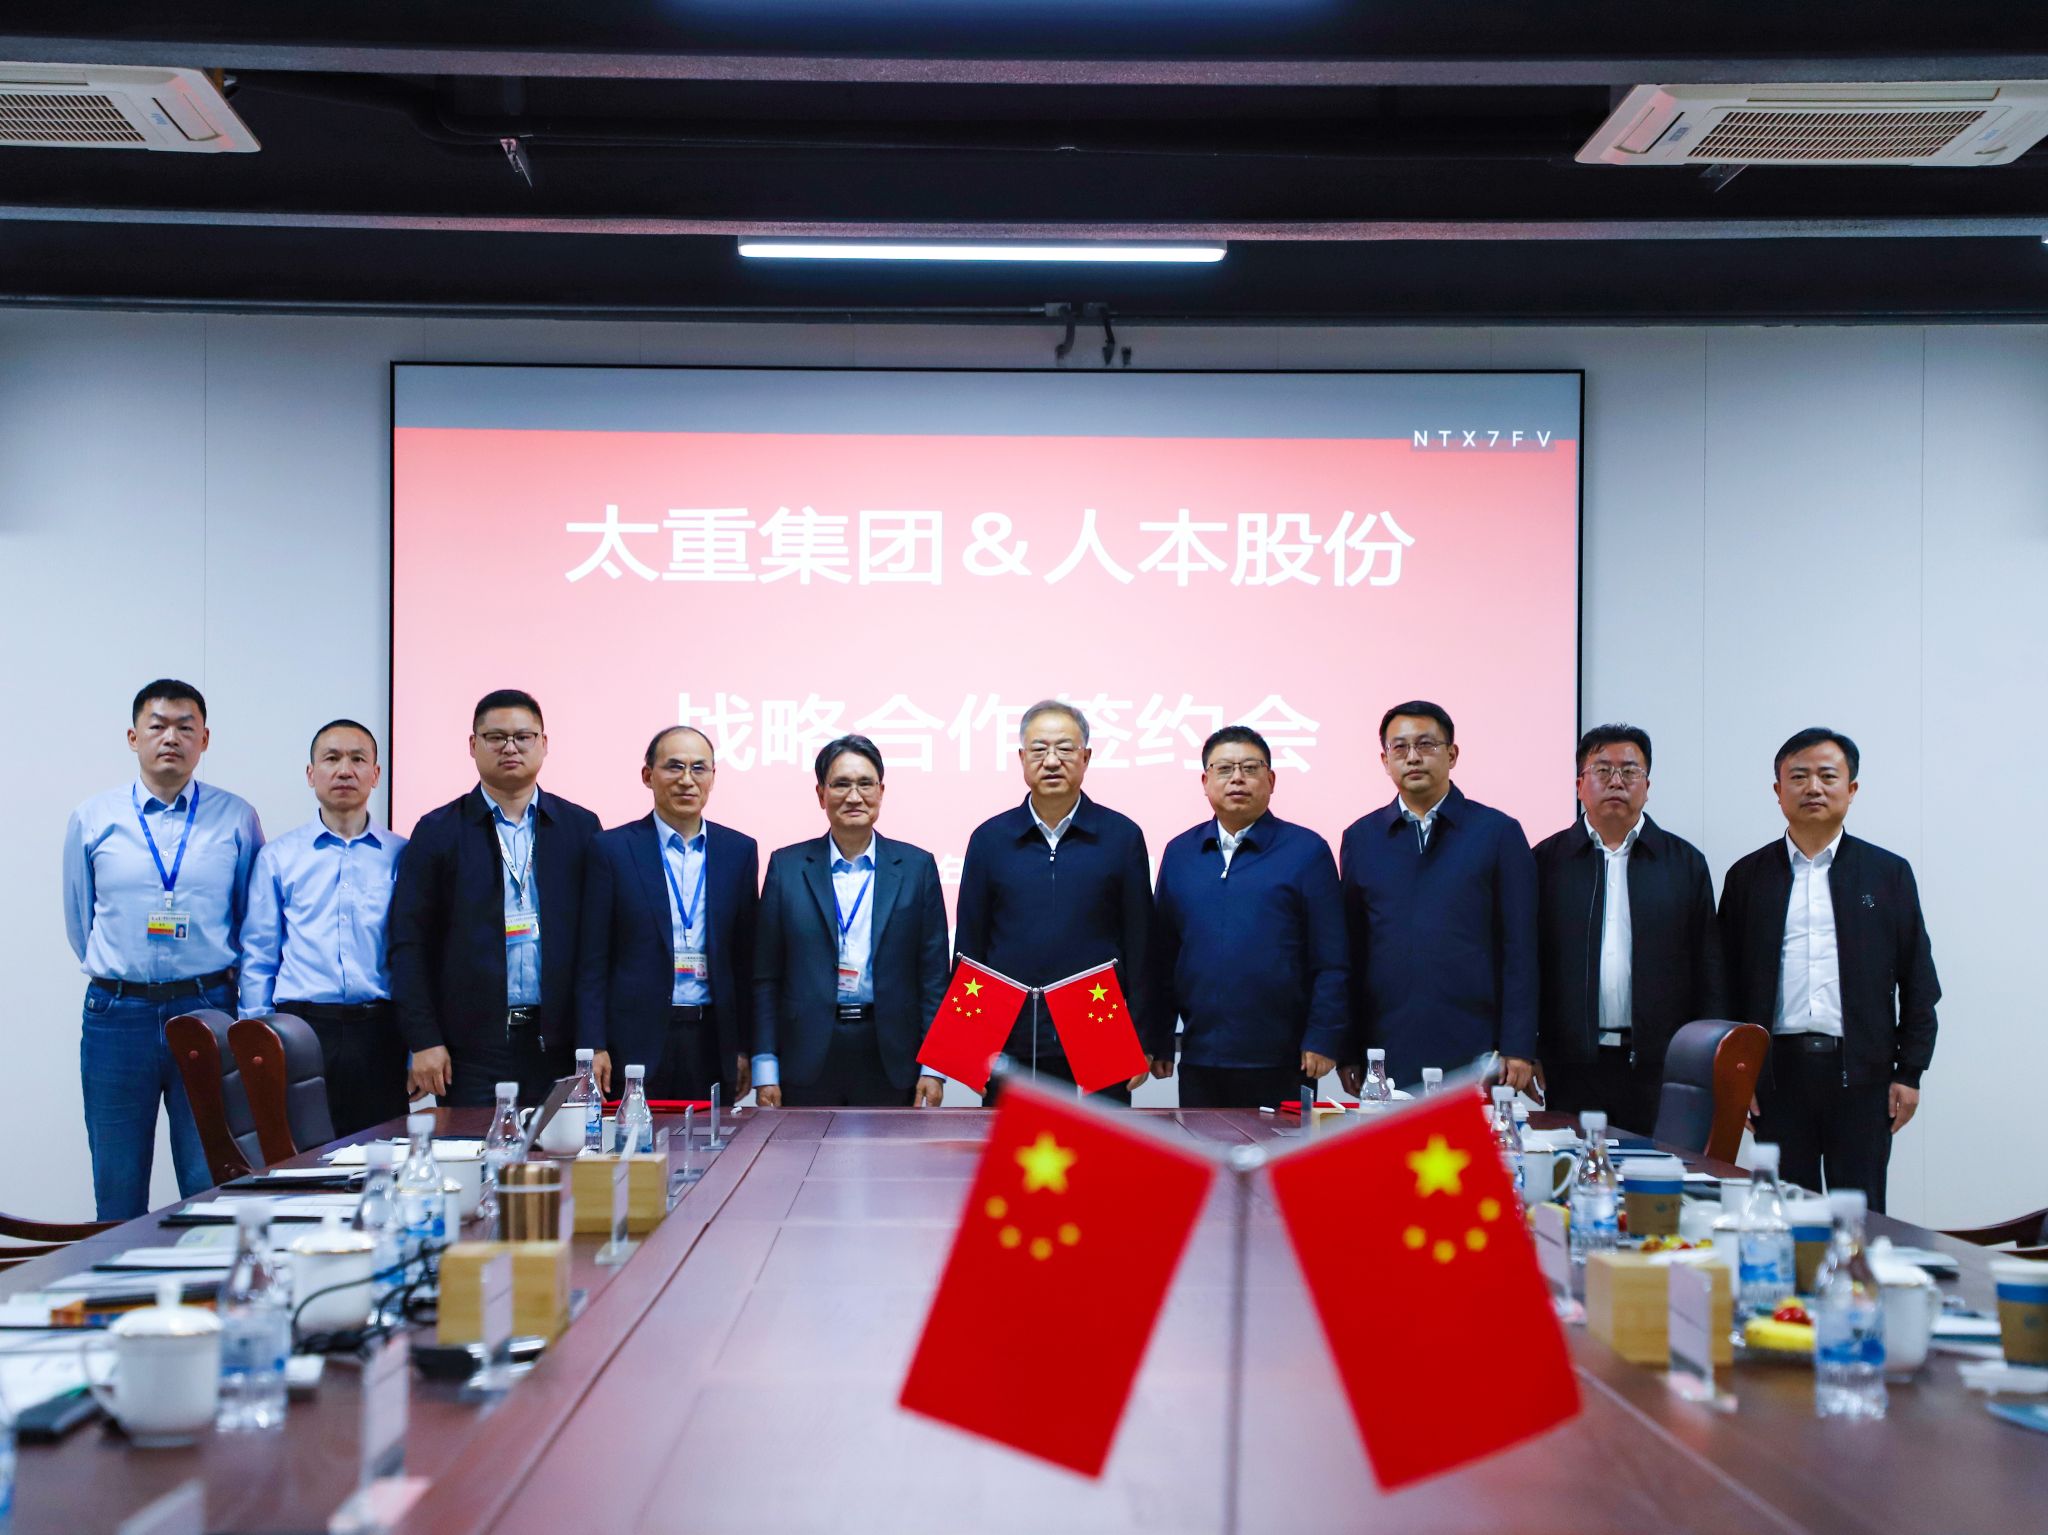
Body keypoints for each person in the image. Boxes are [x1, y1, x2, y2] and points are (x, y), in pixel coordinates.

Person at [62, 680, 265, 1218]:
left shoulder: (237, 817)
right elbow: (81, 921)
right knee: (117, 1183)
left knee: (209, 1180)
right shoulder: (93, 817)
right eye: (157, 726)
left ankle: (205, 1275)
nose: (170, 738)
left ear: (205, 740)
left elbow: (250, 919)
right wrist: (123, 974)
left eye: (184, 727)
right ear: (134, 737)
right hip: (116, 1014)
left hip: (207, 1009)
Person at [1720, 728, 1938, 1212]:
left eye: (1827, 776)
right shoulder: (1747, 877)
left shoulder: (1887, 873)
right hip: (1776, 1079)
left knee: (1858, 1216)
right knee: (1784, 1213)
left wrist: (1910, 1072)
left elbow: (1919, 982)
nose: (1813, 788)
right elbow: (1724, 984)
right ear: (1778, 790)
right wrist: (1737, 1077)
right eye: (1798, 777)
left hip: (1863, 1078)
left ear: (1851, 789)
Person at [387, 689, 600, 1107]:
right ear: (473, 745)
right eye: (496, 737)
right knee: (474, 1148)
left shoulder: (580, 827)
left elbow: (596, 946)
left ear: (544, 743)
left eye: (523, 737)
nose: (510, 747)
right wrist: (423, 1039)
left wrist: (594, 1039)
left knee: (563, 1149)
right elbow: (409, 944)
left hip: (559, 1045)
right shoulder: (438, 830)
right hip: (471, 1051)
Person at [954, 699, 1158, 1100]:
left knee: (1100, 1140)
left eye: (1065, 749)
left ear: (1086, 757)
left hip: (1100, 1026)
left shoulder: (1121, 837)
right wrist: (967, 1044)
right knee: (1013, 1140)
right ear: (1021, 758)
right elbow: (971, 948)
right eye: (1039, 749)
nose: (1051, 761)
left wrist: (1144, 1037)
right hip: (1010, 1033)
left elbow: (1141, 945)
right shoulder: (990, 839)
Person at [1532, 724, 1724, 1133]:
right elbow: (1526, 962)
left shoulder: (1684, 864)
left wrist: (1709, 1058)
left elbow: (1708, 966)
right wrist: (1528, 1047)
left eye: (1630, 771)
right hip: (1570, 1065)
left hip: (1660, 1067)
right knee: (1572, 1167)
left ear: (1647, 785)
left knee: (1656, 1169)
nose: (1616, 781)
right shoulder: (1546, 862)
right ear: (1579, 785)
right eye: (1602, 770)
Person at [1338, 701, 1537, 1093]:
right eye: (1400, 747)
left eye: (1426, 744)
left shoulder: (1497, 833)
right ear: (1385, 760)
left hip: (1476, 1044)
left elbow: (1521, 948)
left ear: (1452, 754)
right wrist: (1348, 1050)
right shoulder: (1361, 838)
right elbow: (1352, 951)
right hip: (1387, 1042)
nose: (1413, 757)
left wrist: (1519, 1045)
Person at [1152, 725, 1347, 1108]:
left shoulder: (1307, 851)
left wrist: (1324, 1036)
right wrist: (1159, 1038)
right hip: (1200, 1056)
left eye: (1250, 768)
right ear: (1205, 781)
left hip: (1285, 1058)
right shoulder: (1180, 853)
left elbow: (1332, 958)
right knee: (1200, 1147)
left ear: (1271, 780)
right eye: (1224, 769)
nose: (1237, 778)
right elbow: (1162, 958)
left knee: (1284, 1149)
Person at [751, 736, 950, 1108]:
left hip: (891, 1054)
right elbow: (766, 977)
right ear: (821, 794)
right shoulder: (786, 867)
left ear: (881, 791)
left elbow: (933, 976)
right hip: (806, 1054)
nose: (854, 796)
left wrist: (934, 1067)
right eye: (841, 784)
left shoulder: (917, 867)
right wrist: (765, 1066)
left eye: (865, 784)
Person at [239, 719, 409, 1138]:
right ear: (311, 773)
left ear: (376, 774)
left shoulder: (402, 855)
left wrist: (415, 1047)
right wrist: (257, 1043)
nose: (344, 770)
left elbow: (414, 955)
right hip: (301, 1029)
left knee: (381, 1157)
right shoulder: (279, 857)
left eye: (358, 759)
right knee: (302, 1157)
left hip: (379, 1032)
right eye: (331, 759)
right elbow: (258, 956)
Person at [576, 726, 757, 1103]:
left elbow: (744, 960)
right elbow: (592, 958)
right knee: (631, 1140)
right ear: (648, 775)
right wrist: (594, 1044)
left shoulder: (738, 851)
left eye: (699, 768)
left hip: (713, 1041)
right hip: (633, 1043)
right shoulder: (611, 850)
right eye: (674, 767)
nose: (687, 780)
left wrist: (744, 1048)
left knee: (713, 1140)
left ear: (712, 778)